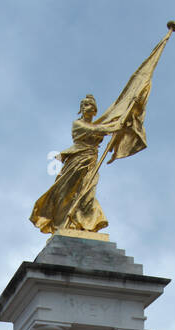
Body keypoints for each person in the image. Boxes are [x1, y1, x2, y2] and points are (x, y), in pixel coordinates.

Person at [30, 94, 116, 235]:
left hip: (91, 162)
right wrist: (113, 127)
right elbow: (95, 130)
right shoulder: (78, 124)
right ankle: (63, 224)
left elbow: (102, 132)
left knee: (87, 193)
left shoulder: (97, 126)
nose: (87, 107)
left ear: (95, 110)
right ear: (81, 109)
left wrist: (119, 125)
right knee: (66, 192)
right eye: (85, 105)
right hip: (76, 161)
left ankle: (83, 224)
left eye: (90, 105)